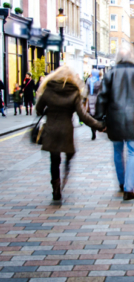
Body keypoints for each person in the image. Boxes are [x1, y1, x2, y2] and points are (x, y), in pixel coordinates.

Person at [95, 47, 134, 201]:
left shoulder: (110, 74)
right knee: (133, 151)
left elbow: (102, 97)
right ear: (132, 58)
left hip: (115, 118)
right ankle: (129, 189)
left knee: (117, 150)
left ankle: (122, 183)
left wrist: (99, 118)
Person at [35, 66, 104, 201]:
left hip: (51, 129)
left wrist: (48, 110)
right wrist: (99, 126)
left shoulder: (49, 89)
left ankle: (55, 186)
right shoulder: (73, 92)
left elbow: (38, 109)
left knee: (54, 160)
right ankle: (67, 165)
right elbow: (83, 116)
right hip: (66, 130)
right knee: (69, 152)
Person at [85, 69, 102, 140]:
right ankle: (96, 127)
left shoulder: (89, 80)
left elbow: (86, 90)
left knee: (91, 115)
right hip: (97, 99)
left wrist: (84, 98)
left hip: (90, 99)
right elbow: (102, 91)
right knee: (96, 115)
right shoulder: (99, 81)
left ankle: (93, 130)